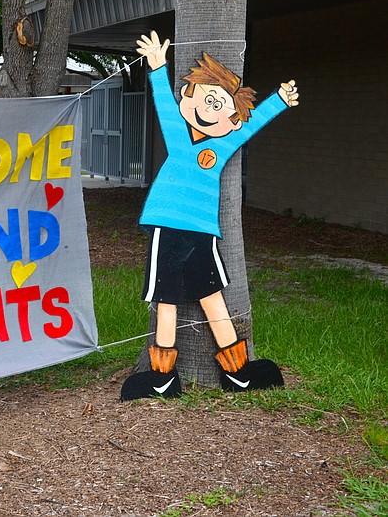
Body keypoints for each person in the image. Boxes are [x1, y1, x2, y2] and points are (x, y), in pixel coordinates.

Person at [120, 31, 299, 401]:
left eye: (219, 106)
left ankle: (238, 373)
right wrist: (157, 67)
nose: (209, 109)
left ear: (231, 121)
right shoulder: (178, 137)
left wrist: (279, 101)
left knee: (211, 296)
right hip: (167, 230)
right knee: (166, 299)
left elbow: (252, 124)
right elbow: (165, 108)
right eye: (205, 99)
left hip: (201, 232)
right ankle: (162, 378)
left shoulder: (223, 144)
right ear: (188, 96)